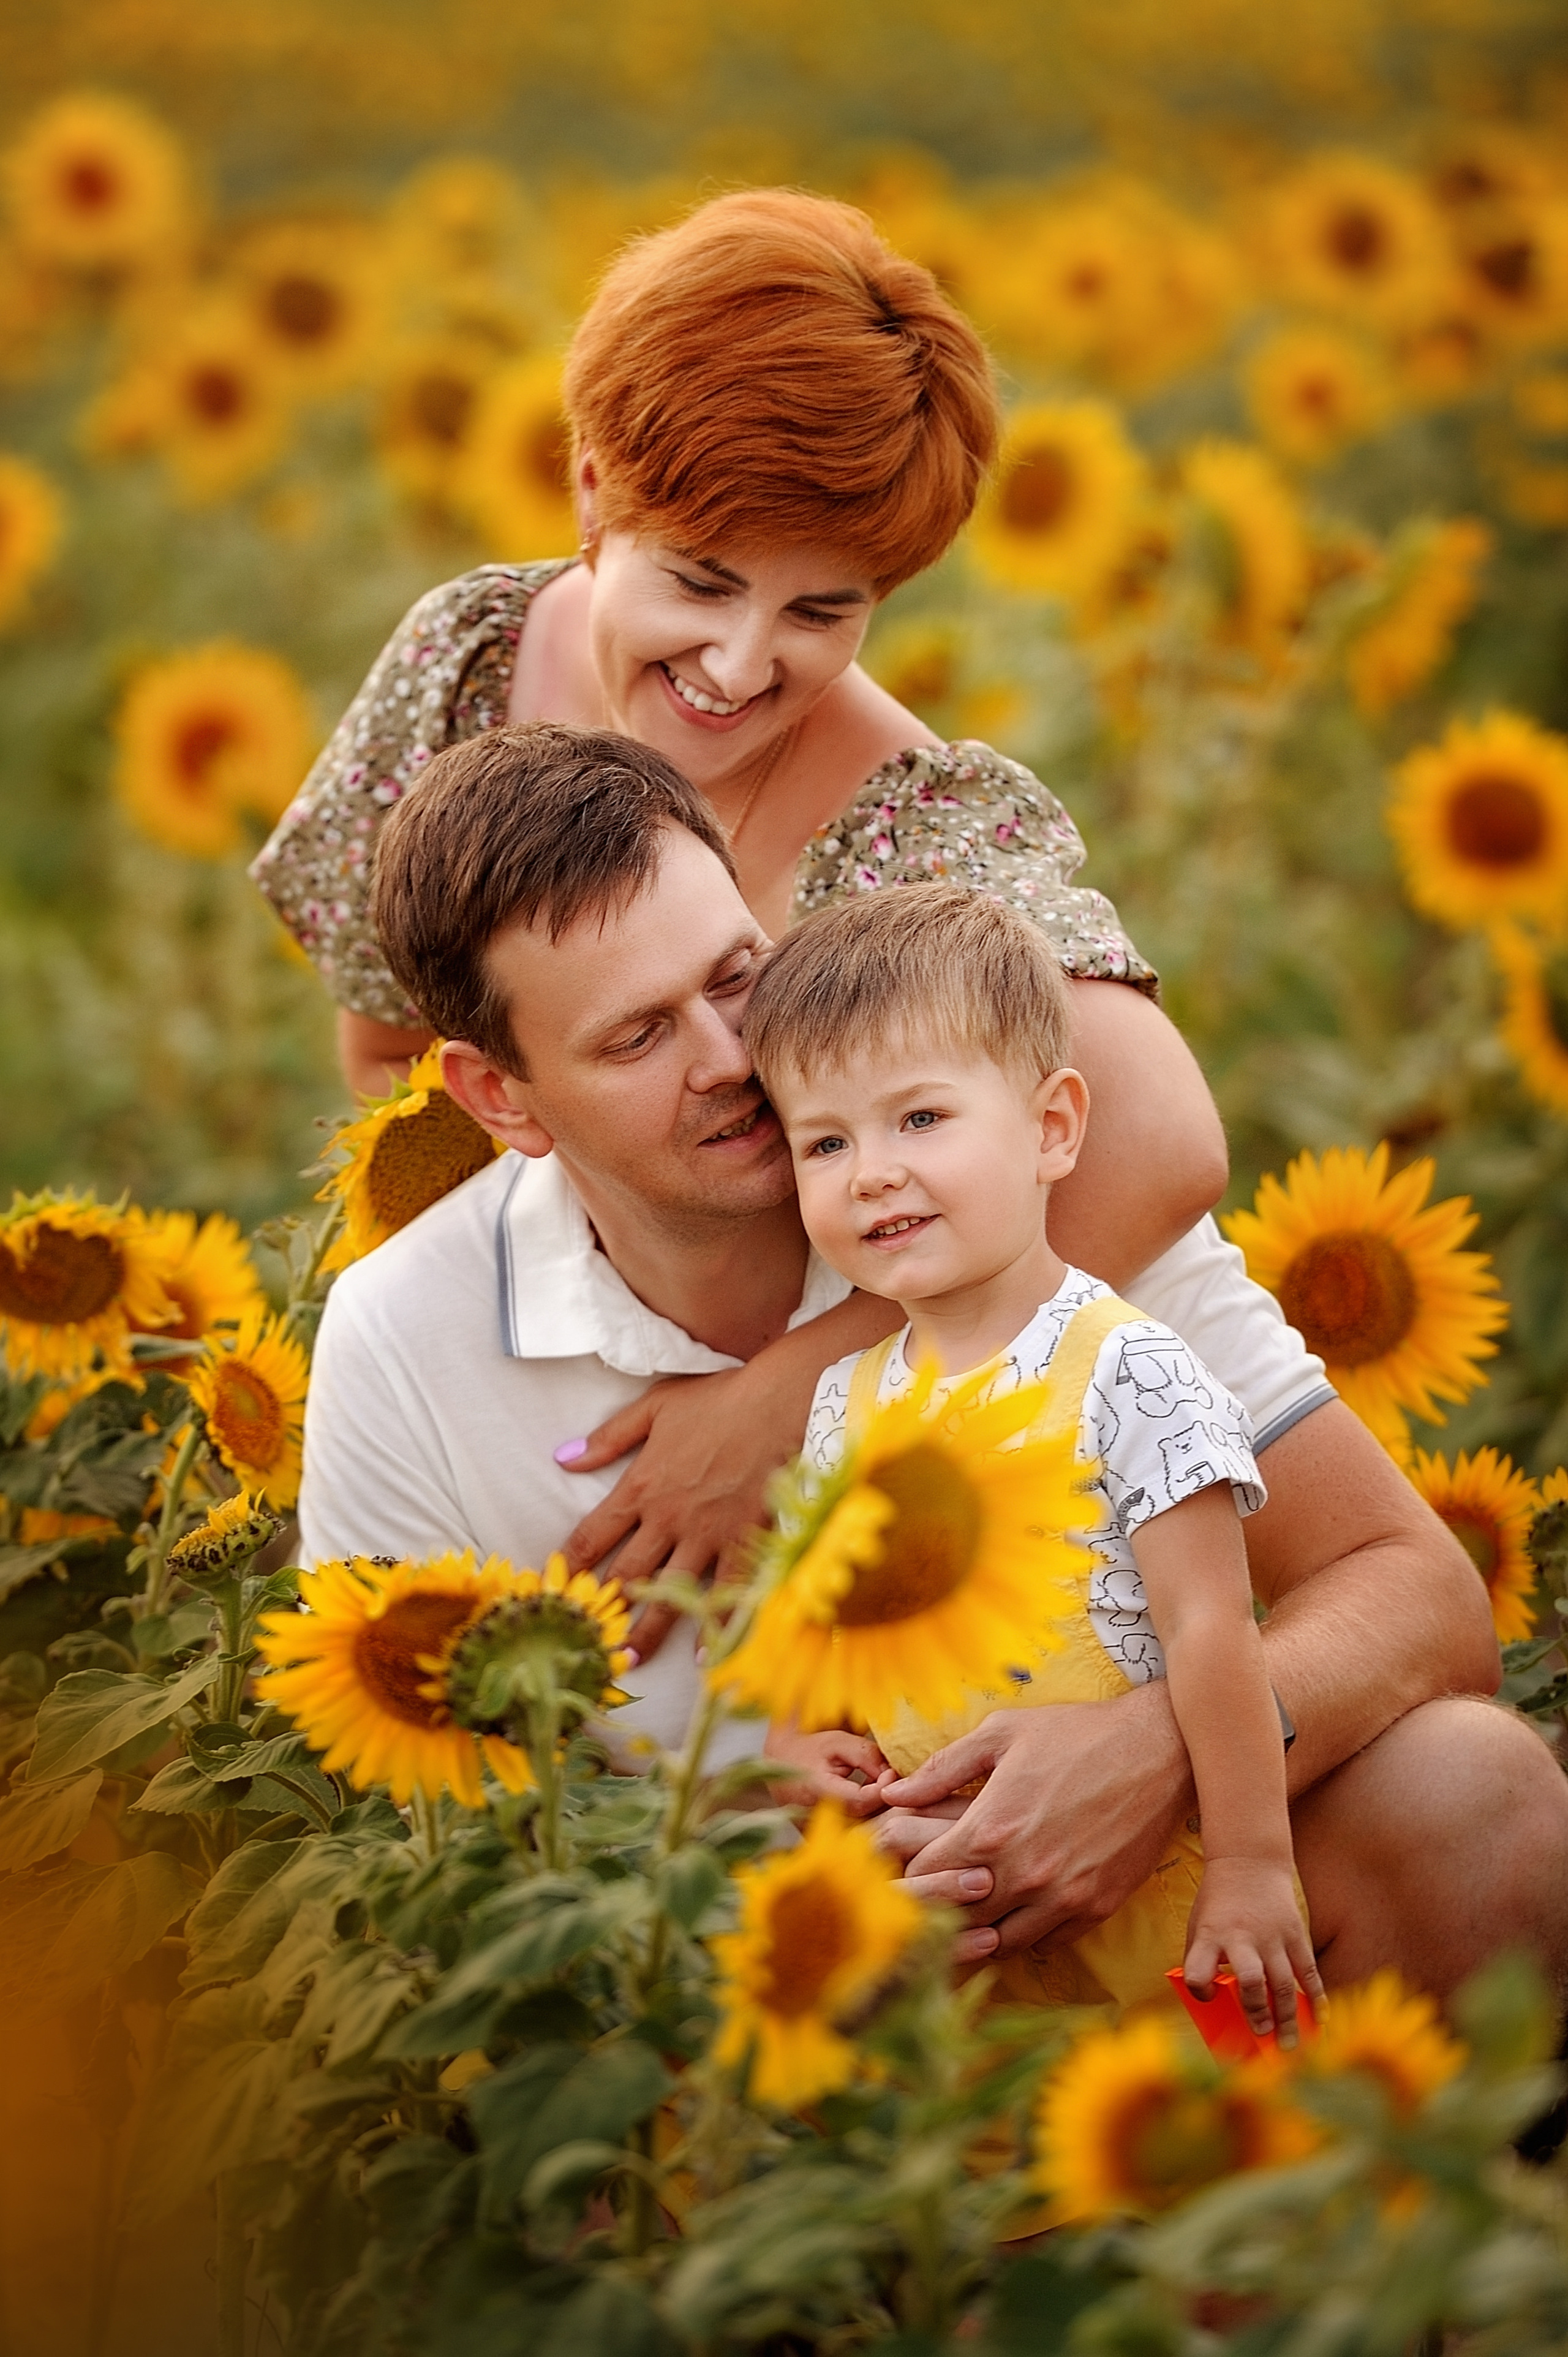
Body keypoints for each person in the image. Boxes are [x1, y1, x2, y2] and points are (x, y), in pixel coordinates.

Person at [300, 721, 1568, 2003]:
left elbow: (1418, 1596)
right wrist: (752, 1856)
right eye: (636, 1039)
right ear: (498, 1096)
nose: (732, 1058)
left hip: (1164, 1930)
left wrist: (1153, 1754)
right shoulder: (405, 1339)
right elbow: (410, 1859)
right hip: (751, 2011)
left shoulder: (988, 1186)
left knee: (1477, 1794)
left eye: (736, 971)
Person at [254, 186, 1229, 1606]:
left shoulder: (908, 826)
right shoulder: (467, 664)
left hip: (883, 1437)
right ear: (592, 490)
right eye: (699, 581)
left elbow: (1155, 1149)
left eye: (819, 611)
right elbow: (391, 1060)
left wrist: (790, 1400)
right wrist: (468, 1390)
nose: (737, 662)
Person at [744, 883, 1324, 2038]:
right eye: (826, 1140)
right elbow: (824, 1631)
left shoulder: (1129, 1369)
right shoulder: (844, 1402)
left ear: (1054, 1127)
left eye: (919, 1120)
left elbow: (1214, 1628)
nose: (870, 1173)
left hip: (1133, 1907)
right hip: (939, 1928)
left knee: (1161, 2177)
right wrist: (790, 1741)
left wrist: (1256, 1864)